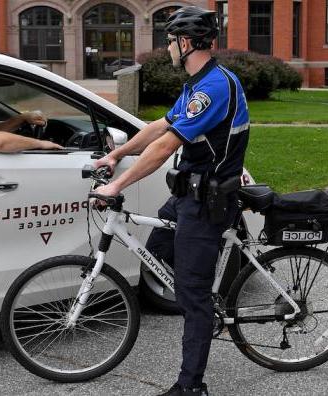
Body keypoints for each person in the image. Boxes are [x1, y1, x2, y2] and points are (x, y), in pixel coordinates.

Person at [93, 6, 249, 396]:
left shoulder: (213, 87)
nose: (166, 48)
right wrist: (116, 155)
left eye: (169, 41)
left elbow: (165, 146)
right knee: (158, 252)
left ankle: (191, 386)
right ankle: (196, 295)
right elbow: (160, 126)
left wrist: (117, 185)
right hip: (186, 194)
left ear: (185, 42)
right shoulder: (196, 84)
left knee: (193, 296)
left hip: (207, 201)